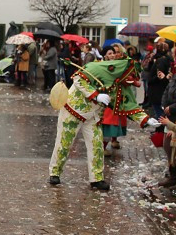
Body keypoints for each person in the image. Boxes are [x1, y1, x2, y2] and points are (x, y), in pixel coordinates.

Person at [48, 50, 157, 191]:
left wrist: (146, 119)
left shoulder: (120, 85)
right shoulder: (96, 68)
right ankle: (55, 172)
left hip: (93, 116)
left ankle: (96, 179)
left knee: (96, 146)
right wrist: (96, 95)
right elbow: (78, 79)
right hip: (73, 111)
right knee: (64, 142)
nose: (131, 81)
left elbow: (128, 104)